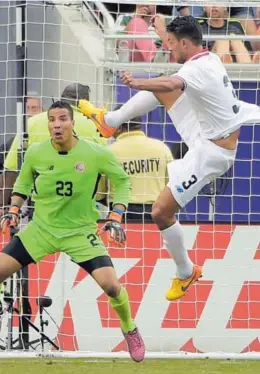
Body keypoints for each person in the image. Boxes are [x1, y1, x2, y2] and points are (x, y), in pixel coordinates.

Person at [80, 16, 260, 301]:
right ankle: (110, 121)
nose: (169, 48)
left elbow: (173, 80)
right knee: (165, 90)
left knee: (160, 212)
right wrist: (163, 27)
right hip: (205, 130)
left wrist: (138, 81)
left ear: (186, 42)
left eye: (173, 44)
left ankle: (186, 271)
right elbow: (174, 71)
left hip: (211, 154)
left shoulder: (197, 70)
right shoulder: (207, 58)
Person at [0, 101, 145, 362]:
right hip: (42, 230)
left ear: (72, 123)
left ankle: (130, 329)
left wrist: (116, 215)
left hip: (80, 232)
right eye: (52, 119)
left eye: (63, 119)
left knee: (111, 286)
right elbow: (22, 183)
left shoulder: (96, 153)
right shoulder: (36, 152)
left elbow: (122, 181)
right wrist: (13, 210)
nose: (56, 124)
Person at [0, 83, 106, 212]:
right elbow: (104, 170)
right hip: (81, 202)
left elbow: (12, 168)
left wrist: (3, 205)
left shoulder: (32, 123)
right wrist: (100, 197)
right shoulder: (95, 127)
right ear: (85, 103)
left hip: (41, 202)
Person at [109, 109, 173, 222]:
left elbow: (100, 192)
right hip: (155, 211)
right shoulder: (162, 148)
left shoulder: (110, 151)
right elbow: (172, 184)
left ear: (118, 127)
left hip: (121, 211)